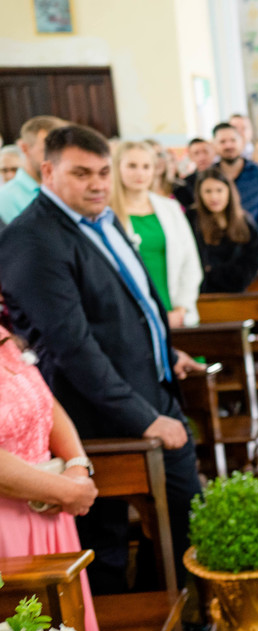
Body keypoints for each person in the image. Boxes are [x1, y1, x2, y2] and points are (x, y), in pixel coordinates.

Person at [0, 124, 203, 594]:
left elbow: (126, 307)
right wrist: (143, 417)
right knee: (106, 540)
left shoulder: (99, 219)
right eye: (81, 173)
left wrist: (163, 350)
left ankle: (179, 613)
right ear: (48, 172)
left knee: (182, 514)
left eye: (102, 172)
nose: (97, 183)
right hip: (102, 416)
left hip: (150, 390)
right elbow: (70, 346)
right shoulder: (33, 239)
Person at [0, 325, 102, 631]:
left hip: (50, 514)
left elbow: (44, 401)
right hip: (7, 528)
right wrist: (65, 491)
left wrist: (77, 465)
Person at [111, 141, 203, 327]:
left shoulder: (170, 208)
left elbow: (190, 261)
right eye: (132, 166)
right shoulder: (107, 213)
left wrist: (181, 309)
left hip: (173, 306)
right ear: (117, 168)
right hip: (128, 314)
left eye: (146, 166)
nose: (140, 173)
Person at [212, 121, 258, 272]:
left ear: (242, 142)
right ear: (215, 146)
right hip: (220, 261)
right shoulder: (208, 178)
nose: (228, 145)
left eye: (233, 140)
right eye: (222, 141)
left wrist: (247, 246)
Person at [188, 168, 258, 294]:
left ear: (229, 191)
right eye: (207, 191)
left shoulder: (244, 222)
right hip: (201, 293)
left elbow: (251, 261)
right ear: (199, 194)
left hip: (236, 291)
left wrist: (214, 273)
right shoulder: (191, 219)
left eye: (219, 190)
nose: (214, 197)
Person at [0, 115, 65, 224]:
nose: (56, 159)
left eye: (61, 151)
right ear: (25, 149)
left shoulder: (67, 187)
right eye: (47, 151)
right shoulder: (6, 198)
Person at [174, 137, 216, 209]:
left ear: (213, 152)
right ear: (190, 156)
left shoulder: (225, 176)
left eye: (206, 152)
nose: (202, 157)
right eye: (196, 153)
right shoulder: (186, 183)